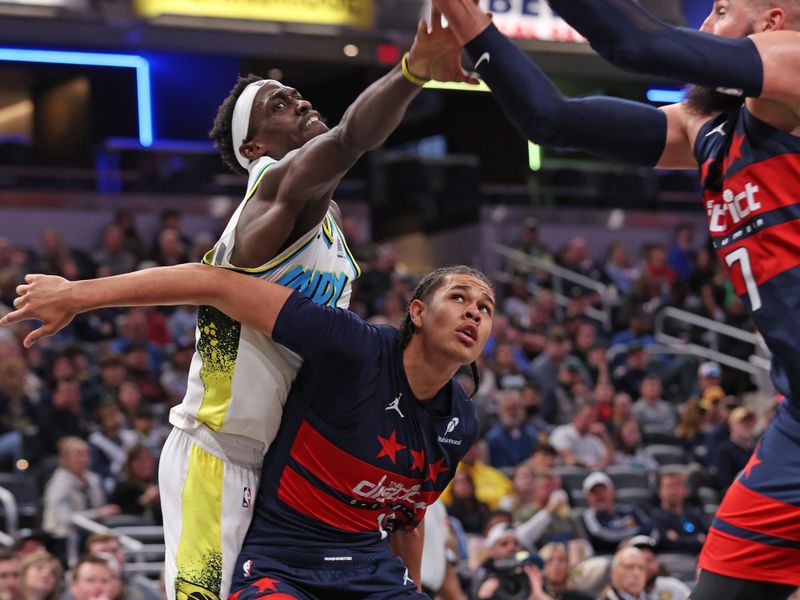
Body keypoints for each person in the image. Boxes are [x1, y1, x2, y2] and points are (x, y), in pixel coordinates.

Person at [11, 11, 469, 600]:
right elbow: (349, 141)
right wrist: (412, 73)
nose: (298, 102)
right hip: (218, 457)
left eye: (295, 94)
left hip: (284, 466)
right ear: (255, 147)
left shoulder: (321, 219)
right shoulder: (273, 194)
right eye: (278, 106)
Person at [435, 0, 800, 595]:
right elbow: (551, 120)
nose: (703, 27)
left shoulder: (794, 67)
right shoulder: (701, 128)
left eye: (721, 12)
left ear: (772, 23)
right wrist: (471, 24)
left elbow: (639, 43)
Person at [1, 261, 493, 599]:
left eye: (486, 307)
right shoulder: (355, 348)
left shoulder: (460, 421)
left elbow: (409, 519)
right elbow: (216, 284)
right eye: (460, 297)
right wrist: (74, 294)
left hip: (368, 570)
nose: (475, 311)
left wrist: (406, 590)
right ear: (419, 312)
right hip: (283, 562)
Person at [580, 472, 656, 555]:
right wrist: (636, 534)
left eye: (603, 490)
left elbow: (652, 530)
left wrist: (631, 540)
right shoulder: (588, 516)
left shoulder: (630, 510)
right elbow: (602, 536)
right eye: (594, 492)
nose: (600, 495)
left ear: (612, 491)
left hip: (640, 553)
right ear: (587, 497)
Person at [649, 468, 708, 555]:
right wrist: (696, 540)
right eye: (669, 486)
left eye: (677, 485)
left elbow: (706, 538)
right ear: (659, 491)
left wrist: (678, 538)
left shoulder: (694, 514)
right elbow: (666, 543)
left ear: (685, 490)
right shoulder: (655, 517)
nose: (674, 491)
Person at [625, 536, 691, 600]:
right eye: (639, 562)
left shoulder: (674, 589)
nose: (645, 566)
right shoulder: (620, 593)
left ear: (657, 562)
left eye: (649, 560)